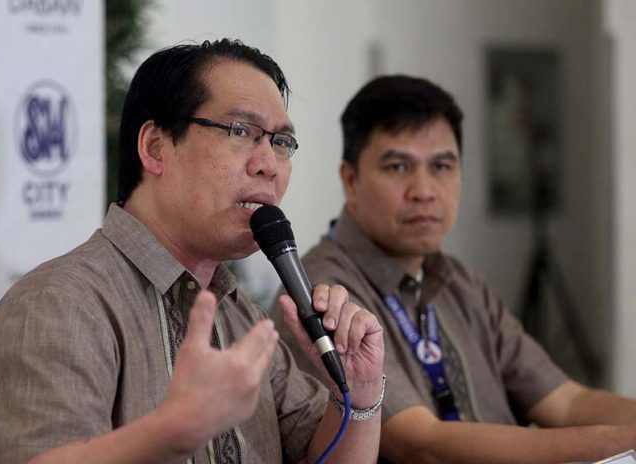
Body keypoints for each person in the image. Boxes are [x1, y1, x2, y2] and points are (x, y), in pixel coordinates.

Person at [0, 39, 386, 464]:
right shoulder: (56, 307)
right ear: (155, 147)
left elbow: (325, 454)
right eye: (240, 131)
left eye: (281, 142)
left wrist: (361, 394)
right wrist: (173, 433)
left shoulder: (241, 316)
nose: (269, 164)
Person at [272, 74, 636, 463]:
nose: (424, 190)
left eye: (442, 166)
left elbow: (566, 402)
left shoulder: (459, 280)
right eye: (397, 167)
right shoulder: (319, 293)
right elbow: (420, 444)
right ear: (350, 180)